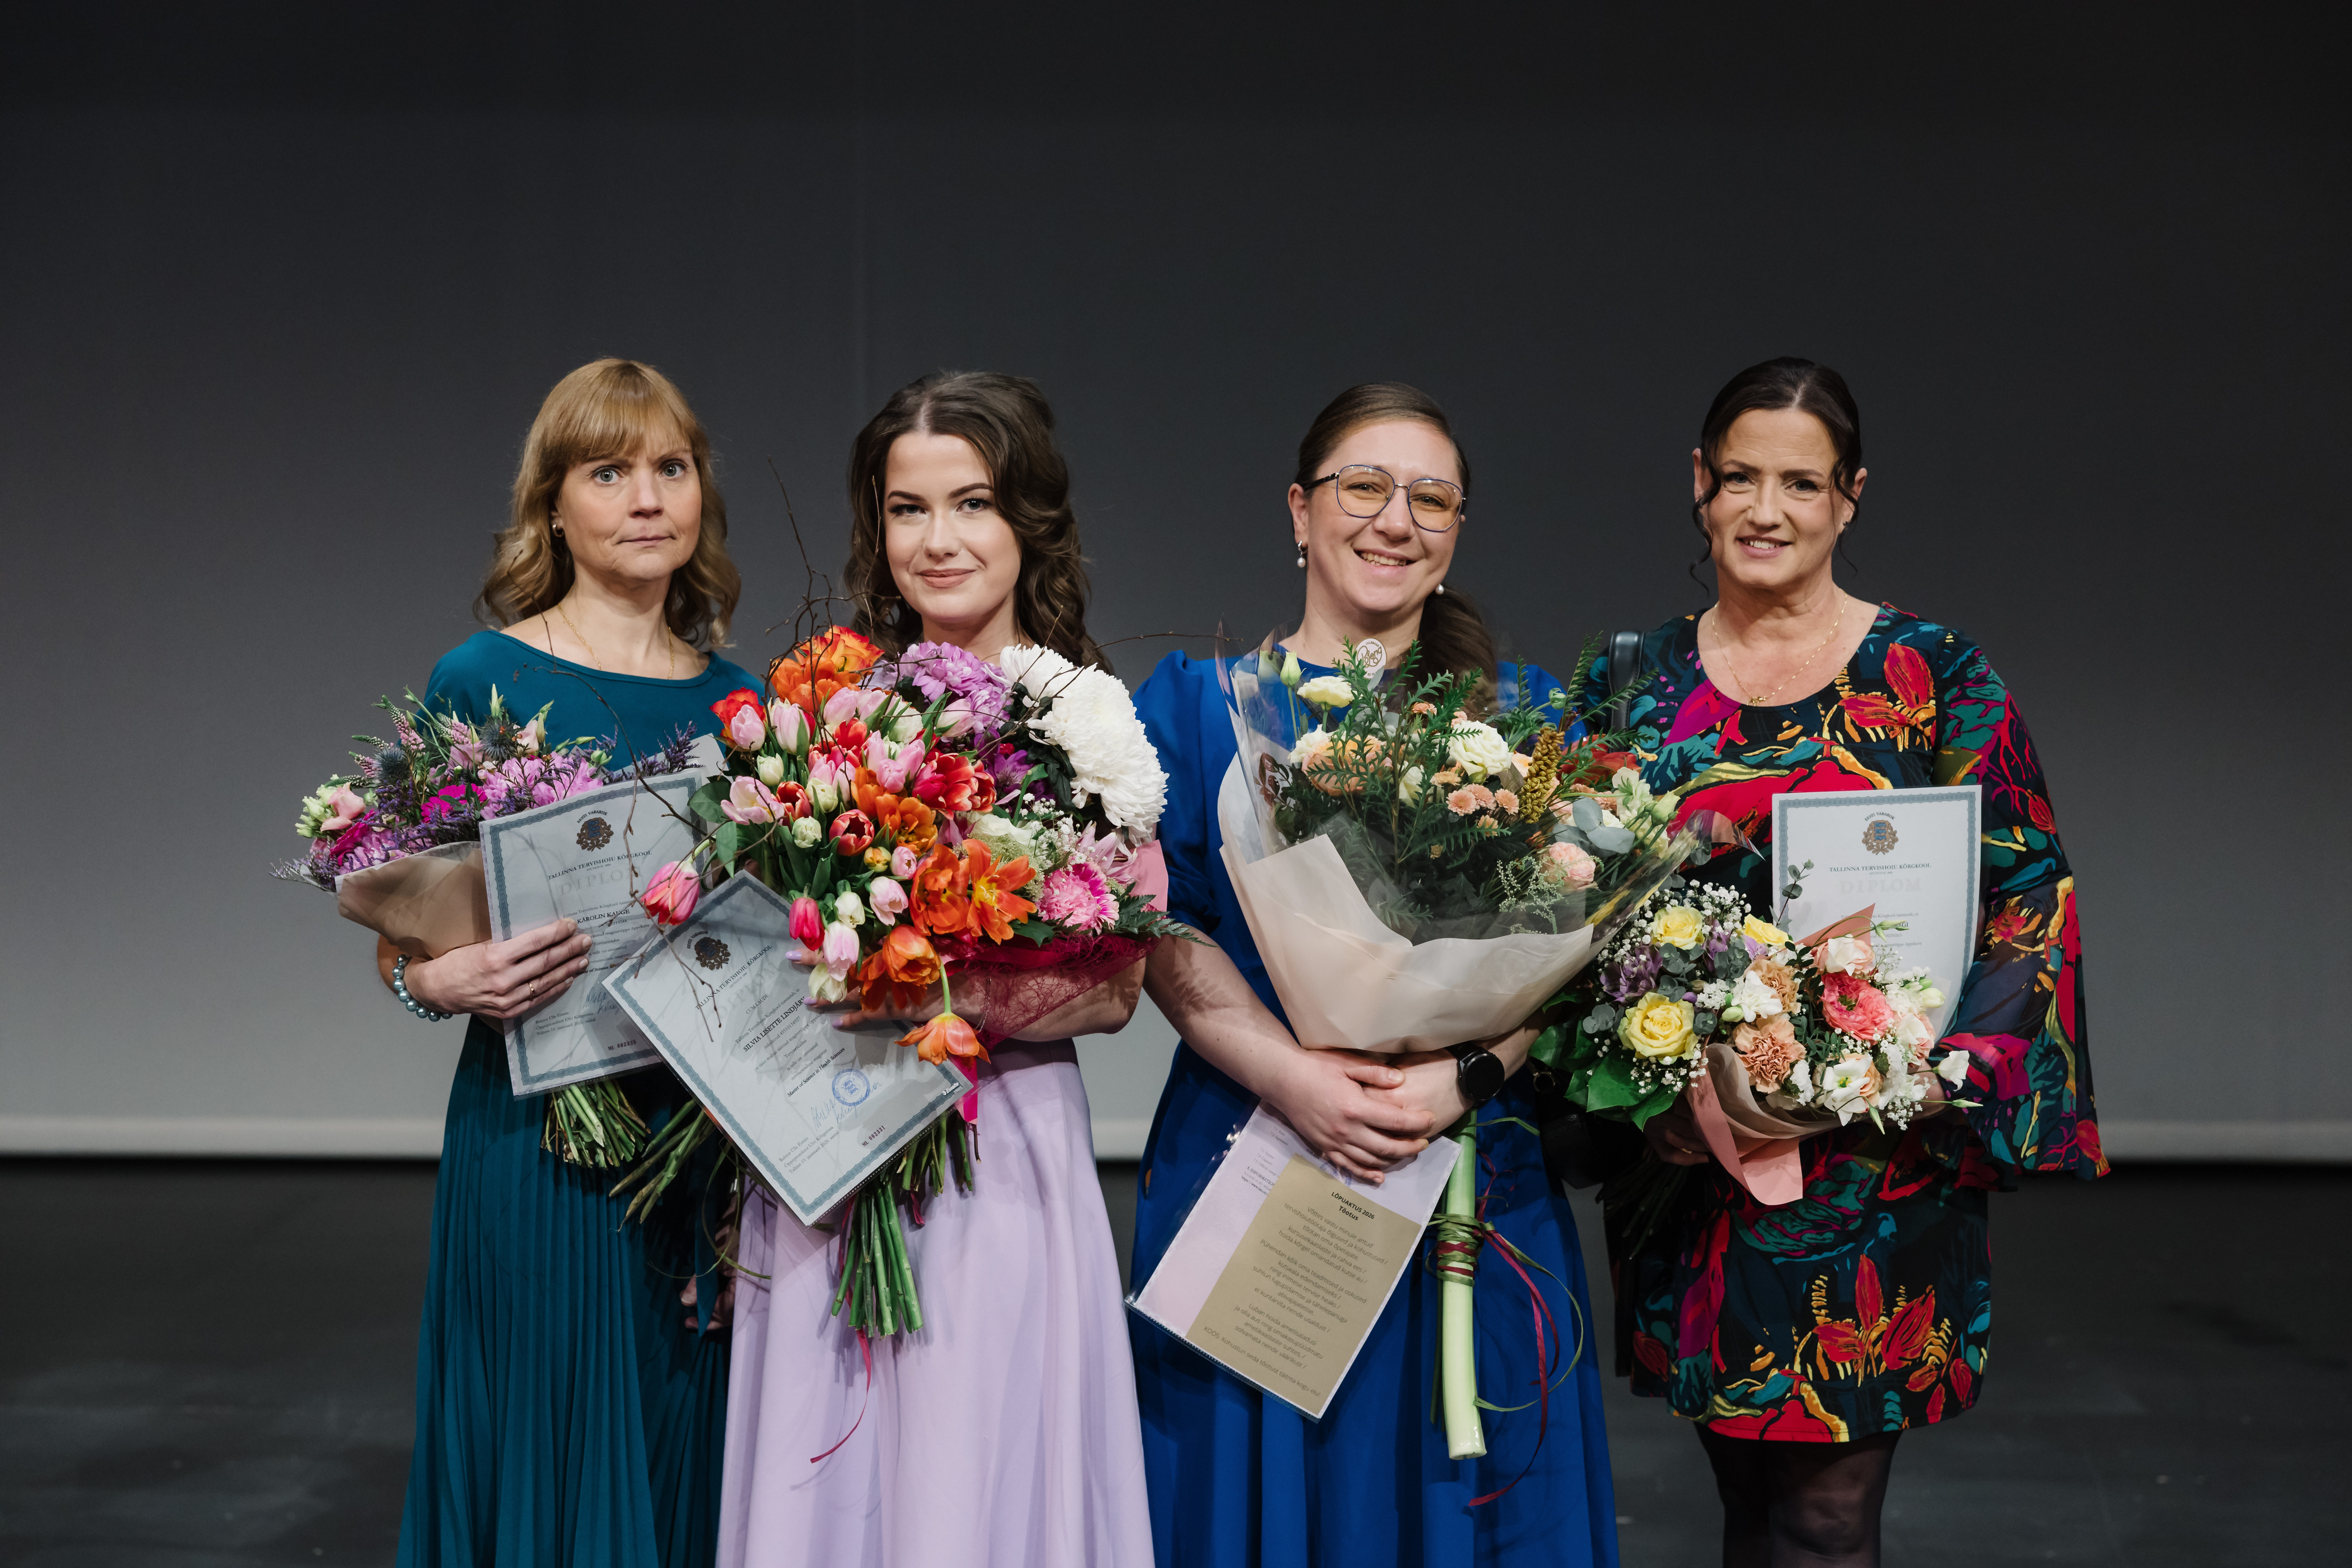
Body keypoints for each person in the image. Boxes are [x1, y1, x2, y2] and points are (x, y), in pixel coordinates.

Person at [1593, 358, 2103, 1568]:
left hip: (1879, 1160)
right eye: (1741, 478)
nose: (1766, 510)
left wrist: (1945, 1070)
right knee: (1747, 1507)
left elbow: (2031, 891)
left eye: (1802, 484)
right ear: (1701, 483)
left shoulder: (1936, 674)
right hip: (1702, 1154)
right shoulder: (1628, 682)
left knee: (1827, 1523)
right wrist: (1645, 1083)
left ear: (1850, 496)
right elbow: (1569, 902)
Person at [1128, 384, 1621, 1568]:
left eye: (1431, 499)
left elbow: (1572, 949)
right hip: (1255, 1147)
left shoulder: (1527, 720)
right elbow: (1162, 928)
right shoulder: (1192, 709)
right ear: (1301, 512)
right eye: (1364, 487)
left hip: (1465, 1164)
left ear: (1456, 533)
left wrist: (1464, 1075)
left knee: (1462, 1498)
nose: (1396, 520)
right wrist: (1294, 1078)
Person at [717, 371, 1154, 1567]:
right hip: (830, 1136)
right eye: (908, 509)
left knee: (979, 1452)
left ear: (1029, 520)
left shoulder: (1086, 726)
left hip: (1000, 1138)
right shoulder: (832, 710)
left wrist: (930, 992)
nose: (939, 539)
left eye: (973, 503)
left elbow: (1119, 986)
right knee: (829, 1456)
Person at [391, 357, 763, 1568]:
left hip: (696, 1149)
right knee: (538, 1447)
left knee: (674, 1448)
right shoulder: (482, 682)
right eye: (609, 473)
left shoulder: (750, 707)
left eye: (672, 468)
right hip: (533, 1141)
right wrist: (430, 981)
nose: (648, 498)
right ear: (552, 506)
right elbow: (403, 922)